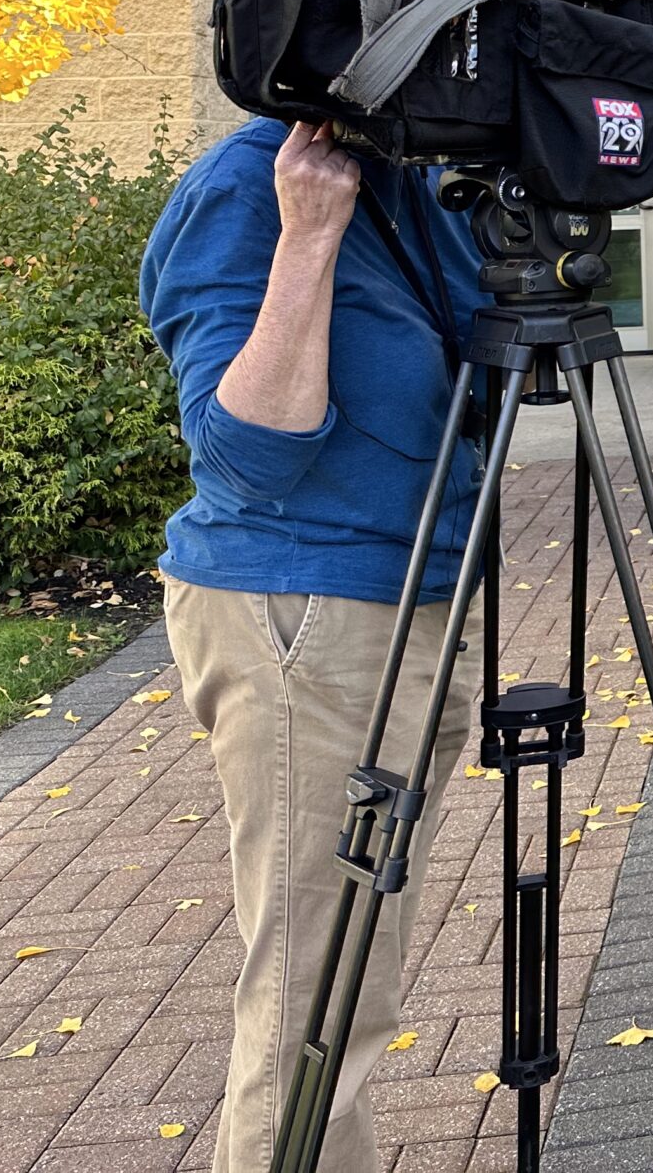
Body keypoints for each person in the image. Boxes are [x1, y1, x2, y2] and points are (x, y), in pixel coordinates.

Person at [142, 118, 486, 1173]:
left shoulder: (422, 182)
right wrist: (309, 237)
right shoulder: (253, 186)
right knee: (317, 1004)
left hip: (411, 599)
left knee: (346, 985)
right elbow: (246, 453)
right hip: (304, 613)